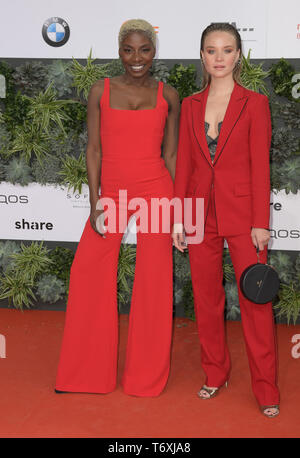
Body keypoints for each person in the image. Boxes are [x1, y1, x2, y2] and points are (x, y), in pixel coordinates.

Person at [55, 19, 180, 396]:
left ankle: (146, 379)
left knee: (155, 282)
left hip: (157, 189)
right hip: (111, 192)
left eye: (144, 49)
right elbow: (93, 150)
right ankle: (86, 375)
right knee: (88, 273)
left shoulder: (168, 95)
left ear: (154, 52)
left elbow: (171, 154)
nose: (136, 58)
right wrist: (95, 203)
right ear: (119, 51)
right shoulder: (100, 90)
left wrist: (173, 208)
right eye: (129, 49)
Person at [172, 23, 280, 417]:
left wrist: (260, 221)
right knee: (206, 300)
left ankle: (266, 388)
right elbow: (184, 164)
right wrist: (180, 217)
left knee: (255, 302)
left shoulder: (254, 104)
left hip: (243, 218)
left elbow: (259, 167)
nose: (219, 58)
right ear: (202, 55)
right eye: (211, 50)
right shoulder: (189, 106)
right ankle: (215, 373)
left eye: (226, 50)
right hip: (199, 215)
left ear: (238, 54)